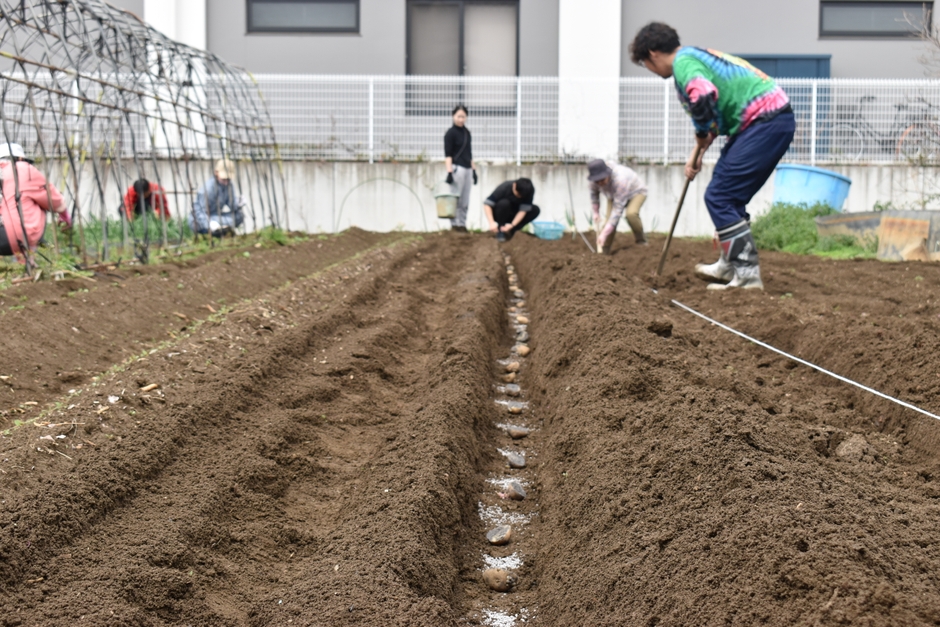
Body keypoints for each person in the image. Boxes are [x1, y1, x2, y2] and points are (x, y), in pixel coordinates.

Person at [629, 22, 794, 290]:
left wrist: (701, 132)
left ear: (653, 53)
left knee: (721, 196)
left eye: (645, 63)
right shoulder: (693, 57)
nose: (649, 68)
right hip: (762, 121)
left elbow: (703, 96)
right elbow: (713, 113)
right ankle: (731, 263)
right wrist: (698, 152)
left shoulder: (684, 64)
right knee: (727, 193)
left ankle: (747, 275)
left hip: (766, 121)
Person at [0, 142, 69, 259]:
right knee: (36, 203)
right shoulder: (23, 169)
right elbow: (53, 199)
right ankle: (37, 256)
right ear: (21, 158)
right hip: (15, 236)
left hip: (5, 234)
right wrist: (65, 215)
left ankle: (30, 259)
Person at [587, 159, 648, 254]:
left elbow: (617, 212)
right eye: (597, 181)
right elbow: (594, 195)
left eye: (602, 179)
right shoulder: (593, 181)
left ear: (607, 174)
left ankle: (641, 241)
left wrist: (603, 234)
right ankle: (604, 251)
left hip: (636, 192)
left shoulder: (620, 179)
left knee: (631, 214)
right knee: (608, 222)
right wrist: (596, 213)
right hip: (614, 195)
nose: (600, 183)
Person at [443, 105, 477, 232]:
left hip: (468, 168)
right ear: (453, 116)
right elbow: (448, 154)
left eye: (463, 116)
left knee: (465, 199)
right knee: (456, 197)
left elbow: (470, 153)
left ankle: (462, 224)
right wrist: (449, 172)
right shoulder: (450, 133)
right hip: (457, 168)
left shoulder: (467, 133)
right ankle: (454, 224)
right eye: (459, 116)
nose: (461, 119)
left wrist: (474, 171)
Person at [191, 159, 245, 236]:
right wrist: (209, 223)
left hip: (217, 216)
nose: (226, 182)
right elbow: (199, 212)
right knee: (218, 221)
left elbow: (231, 204)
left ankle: (220, 229)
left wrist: (238, 204)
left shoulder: (229, 185)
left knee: (239, 216)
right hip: (202, 218)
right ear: (216, 173)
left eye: (228, 179)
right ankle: (215, 230)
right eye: (224, 179)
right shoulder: (208, 188)